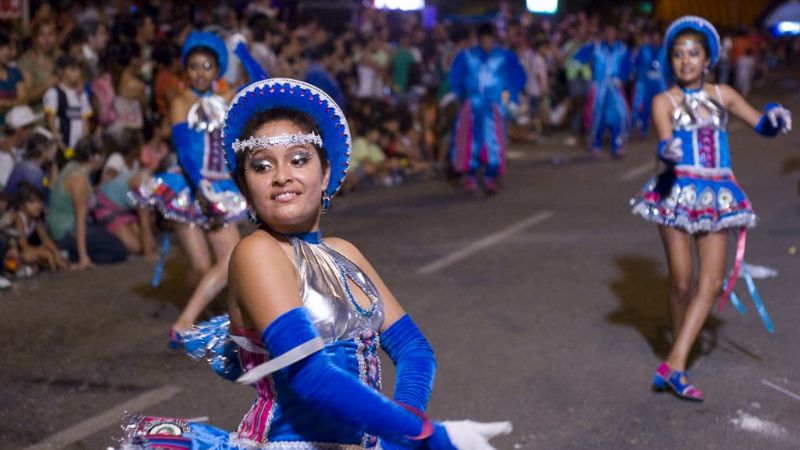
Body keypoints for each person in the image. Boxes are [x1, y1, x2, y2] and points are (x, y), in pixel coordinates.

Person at [120, 77, 512, 450]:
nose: (282, 176)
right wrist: (424, 435)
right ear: (244, 188)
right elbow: (309, 375)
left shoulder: (345, 252)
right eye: (262, 166)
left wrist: (400, 432)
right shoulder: (257, 253)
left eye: (298, 159)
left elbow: (414, 348)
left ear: (324, 174)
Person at [630, 16, 792, 401]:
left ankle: (675, 363)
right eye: (678, 54)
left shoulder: (724, 95)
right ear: (671, 61)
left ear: (707, 60)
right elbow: (664, 139)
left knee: (711, 283)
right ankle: (678, 357)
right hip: (676, 192)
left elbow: (760, 124)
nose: (685, 61)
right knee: (681, 282)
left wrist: (773, 119)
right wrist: (667, 150)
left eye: (693, 54)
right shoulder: (664, 100)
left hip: (718, 194)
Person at [131, 31, 247, 344]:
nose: (200, 73)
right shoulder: (181, 100)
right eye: (194, 66)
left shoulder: (226, 99)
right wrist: (201, 188)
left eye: (207, 66)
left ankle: (187, 320)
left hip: (220, 186)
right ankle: (196, 315)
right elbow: (183, 150)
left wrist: (244, 55)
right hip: (188, 185)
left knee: (226, 261)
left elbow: (266, 83)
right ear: (186, 69)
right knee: (202, 265)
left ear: (218, 69)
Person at [449, 23, 525, 194]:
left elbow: (516, 77)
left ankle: (490, 177)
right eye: (484, 39)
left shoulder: (504, 56)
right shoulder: (467, 56)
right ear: (479, 39)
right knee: (470, 143)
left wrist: (512, 99)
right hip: (472, 107)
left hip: (494, 107)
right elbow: (456, 77)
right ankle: (470, 177)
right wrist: (459, 94)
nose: (487, 43)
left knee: (494, 143)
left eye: (490, 39)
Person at [46, 137, 128, 269]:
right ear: (95, 157)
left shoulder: (74, 168)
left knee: (111, 241)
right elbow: (80, 220)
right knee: (118, 251)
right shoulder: (78, 179)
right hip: (66, 231)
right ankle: (69, 255)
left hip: (64, 228)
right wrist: (83, 257)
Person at [573, 24, 632, 158]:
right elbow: (579, 55)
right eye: (607, 32)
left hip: (615, 89)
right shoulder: (597, 47)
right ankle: (595, 144)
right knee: (597, 117)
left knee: (620, 116)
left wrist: (621, 78)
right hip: (599, 89)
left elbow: (628, 66)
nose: (610, 34)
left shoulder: (622, 49)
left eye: (612, 32)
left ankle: (617, 146)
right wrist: (578, 62)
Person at [12, 182, 69, 271]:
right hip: (11, 252)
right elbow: (24, 247)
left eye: (39, 202)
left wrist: (56, 254)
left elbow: (45, 239)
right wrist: (44, 253)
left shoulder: (36, 219)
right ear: (22, 205)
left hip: (22, 250)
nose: (37, 205)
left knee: (53, 252)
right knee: (31, 256)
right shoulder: (18, 218)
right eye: (32, 202)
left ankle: (45, 264)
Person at [43, 55, 93, 152]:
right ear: (60, 71)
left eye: (78, 69)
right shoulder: (54, 93)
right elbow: (51, 122)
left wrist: (84, 147)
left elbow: (85, 122)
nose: (77, 73)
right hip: (61, 149)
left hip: (78, 149)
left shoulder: (82, 95)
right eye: (72, 69)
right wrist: (64, 149)